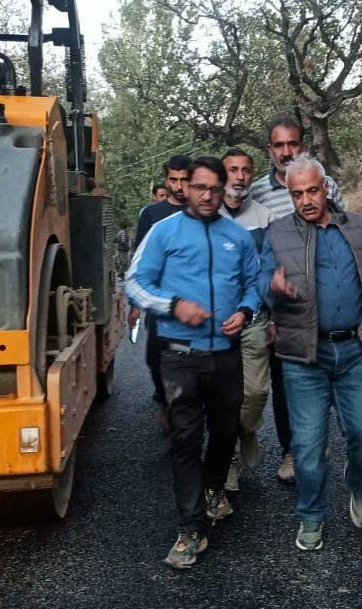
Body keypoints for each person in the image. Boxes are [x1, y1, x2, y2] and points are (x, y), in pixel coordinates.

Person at [126, 156, 261, 569]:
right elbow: (134, 282)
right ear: (186, 189)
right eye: (199, 187)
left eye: (214, 189)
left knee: (224, 432)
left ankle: (214, 487)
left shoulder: (237, 237)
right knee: (185, 439)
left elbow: (254, 285)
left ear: (224, 191)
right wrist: (173, 305)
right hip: (179, 356)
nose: (206, 195)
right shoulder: (164, 232)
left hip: (225, 354)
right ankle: (190, 530)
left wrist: (246, 310)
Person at [259, 154, 362, 552]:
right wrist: (271, 288)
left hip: (353, 351)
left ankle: (360, 487)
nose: (306, 200)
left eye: (313, 190)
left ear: (326, 187)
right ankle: (311, 515)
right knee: (308, 447)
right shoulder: (277, 233)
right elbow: (259, 281)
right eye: (297, 194)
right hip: (303, 357)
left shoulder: (359, 228)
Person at [248, 114, 344, 484]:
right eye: (279, 145)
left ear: (302, 146)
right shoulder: (257, 193)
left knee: (327, 368)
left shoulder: (327, 184)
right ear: (270, 150)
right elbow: (257, 256)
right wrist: (268, 309)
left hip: (323, 299)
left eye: (293, 144)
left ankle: (318, 437)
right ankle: (291, 449)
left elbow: (340, 231)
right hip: (281, 305)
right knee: (284, 379)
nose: (286, 152)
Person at [218, 148, 274, 491]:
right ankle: (231, 461)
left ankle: (247, 430)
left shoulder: (265, 217)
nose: (240, 176)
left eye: (246, 170)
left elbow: (270, 269)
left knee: (255, 392)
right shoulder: (208, 216)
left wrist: (273, 315)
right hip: (217, 324)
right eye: (233, 170)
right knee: (222, 398)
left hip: (254, 318)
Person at [130, 155, 193, 431]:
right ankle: (166, 401)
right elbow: (138, 260)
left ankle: (186, 410)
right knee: (155, 356)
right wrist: (134, 304)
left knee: (192, 356)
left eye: (185, 180)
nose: (179, 186)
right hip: (160, 301)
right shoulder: (152, 215)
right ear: (166, 179)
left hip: (195, 300)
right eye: (173, 180)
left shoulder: (203, 209)